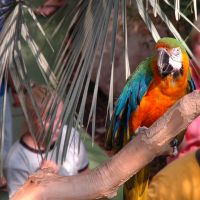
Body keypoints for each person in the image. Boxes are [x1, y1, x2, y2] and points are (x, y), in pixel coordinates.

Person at [3, 84, 89, 198]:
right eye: (52, 120)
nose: (59, 125)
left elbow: (86, 179)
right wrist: (37, 183)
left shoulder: (71, 136)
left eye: (61, 118)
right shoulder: (16, 160)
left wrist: (60, 178)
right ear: (32, 119)